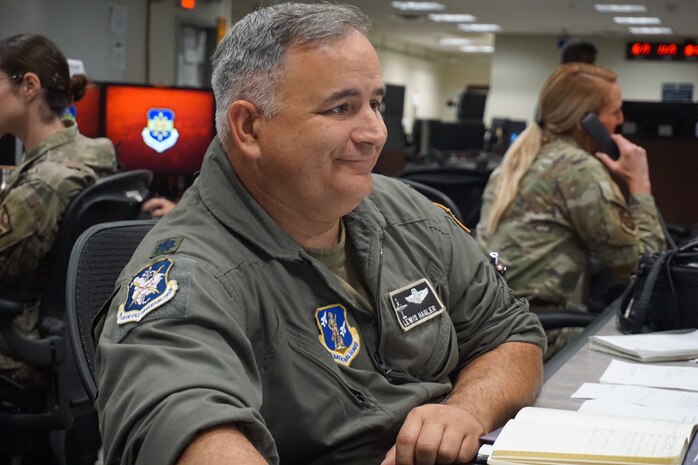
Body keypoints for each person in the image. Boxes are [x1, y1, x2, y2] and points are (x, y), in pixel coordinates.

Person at [94, 4, 546, 465]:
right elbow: (189, 428)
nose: (375, 133)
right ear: (249, 127)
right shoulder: (188, 275)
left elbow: (512, 335)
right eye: (341, 108)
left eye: (375, 103)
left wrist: (465, 411)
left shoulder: (410, 216)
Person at [476, 62, 666, 356]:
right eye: (615, 111)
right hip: (531, 331)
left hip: (492, 324)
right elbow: (644, 272)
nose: (621, 120)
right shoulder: (578, 169)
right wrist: (640, 184)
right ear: (587, 121)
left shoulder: (520, 158)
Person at [0, 33, 117, 386]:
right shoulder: (93, 153)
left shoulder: (46, 182)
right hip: (70, 342)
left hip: (16, 347)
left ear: (29, 86)